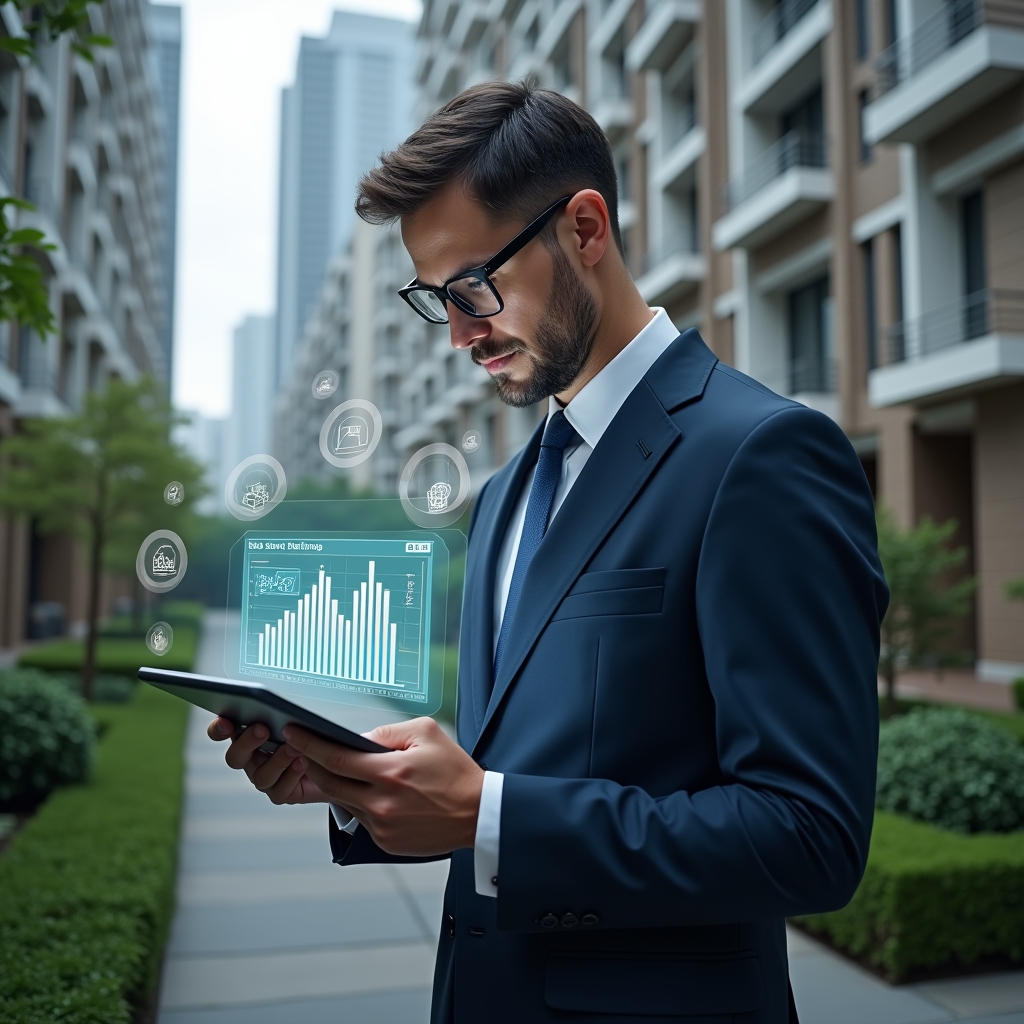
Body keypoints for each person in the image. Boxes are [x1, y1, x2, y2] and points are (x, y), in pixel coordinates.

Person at [209, 80, 888, 1023]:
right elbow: (507, 767)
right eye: (433, 300)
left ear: (584, 227)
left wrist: (491, 814)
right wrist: (362, 790)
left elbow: (809, 835)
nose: (457, 333)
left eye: (474, 288)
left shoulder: (763, 456)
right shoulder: (505, 495)